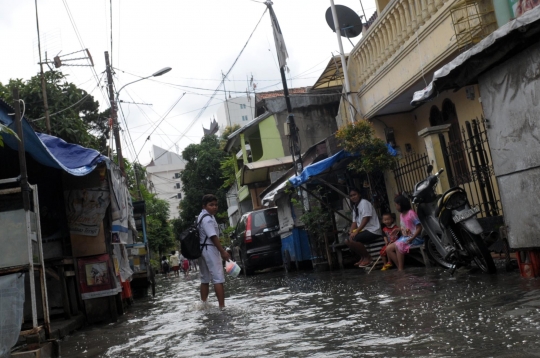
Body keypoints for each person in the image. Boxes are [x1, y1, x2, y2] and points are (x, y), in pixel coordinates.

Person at [198, 194, 231, 308]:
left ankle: (204, 304)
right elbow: (213, 236)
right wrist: (222, 252)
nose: (214, 207)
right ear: (204, 206)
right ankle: (222, 307)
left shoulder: (202, 216)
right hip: (209, 249)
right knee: (218, 279)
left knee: (205, 278)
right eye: (211, 205)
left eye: (216, 205)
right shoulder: (207, 219)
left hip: (202, 250)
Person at [345, 188, 383, 268]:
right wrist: (351, 231)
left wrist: (356, 231)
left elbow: (366, 218)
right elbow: (354, 222)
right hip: (364, 230)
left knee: (355, 239)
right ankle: (362, 257)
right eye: (351, 196)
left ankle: (367, 257)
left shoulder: (364, 203)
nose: (353, 197)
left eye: (354, 195)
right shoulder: (355, 207)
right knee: (347, 241)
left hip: (373, 230)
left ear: (359, 194)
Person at [386, 195, 423, 271]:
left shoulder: (411, 213)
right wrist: (398, 229)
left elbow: (419, 227)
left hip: (415, 238)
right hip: (406, 238)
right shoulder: (401, 215)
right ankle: (400, 267)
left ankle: (400, 269)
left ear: (400, 204)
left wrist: (413, 237)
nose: (395, 207)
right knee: (388, 249)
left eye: (396, 205)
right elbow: (406, 227)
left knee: (398, 245)